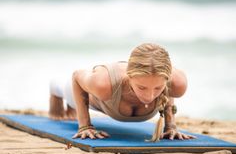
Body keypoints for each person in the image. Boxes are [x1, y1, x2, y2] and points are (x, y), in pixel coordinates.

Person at [49, 43, 195, 141]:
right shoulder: (104, 84)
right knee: (62, 89)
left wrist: (171, 126)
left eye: (158, 88)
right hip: (89, 93)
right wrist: (85, 125)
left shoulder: (178, 83)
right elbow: (76, 77)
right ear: (129, 76)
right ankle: (54, 87)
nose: (149, 96)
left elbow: (167, 89)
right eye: (142, 87)